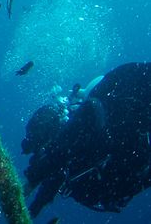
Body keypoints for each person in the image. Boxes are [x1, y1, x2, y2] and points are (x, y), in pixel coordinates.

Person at [21, 62, 151, 217]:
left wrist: (32, 179)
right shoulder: (80, 146)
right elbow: (57, 170)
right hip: (118, 179)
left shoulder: (92, 113)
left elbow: (66, 143)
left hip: (114, 178)